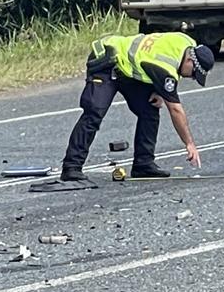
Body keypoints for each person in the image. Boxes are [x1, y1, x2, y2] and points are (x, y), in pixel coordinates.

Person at [60, 31, 214, 181]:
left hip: (129, 70)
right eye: (194, 73)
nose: (192, 78)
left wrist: (158, 90)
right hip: (107, 60)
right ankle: (71, 167)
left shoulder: (187, 42)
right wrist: (189, 144)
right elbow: (175, 109)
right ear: (189, 61)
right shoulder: (165, 68)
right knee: (94, 113)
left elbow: (153, 55)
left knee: (150, 108)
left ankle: (143, 164)